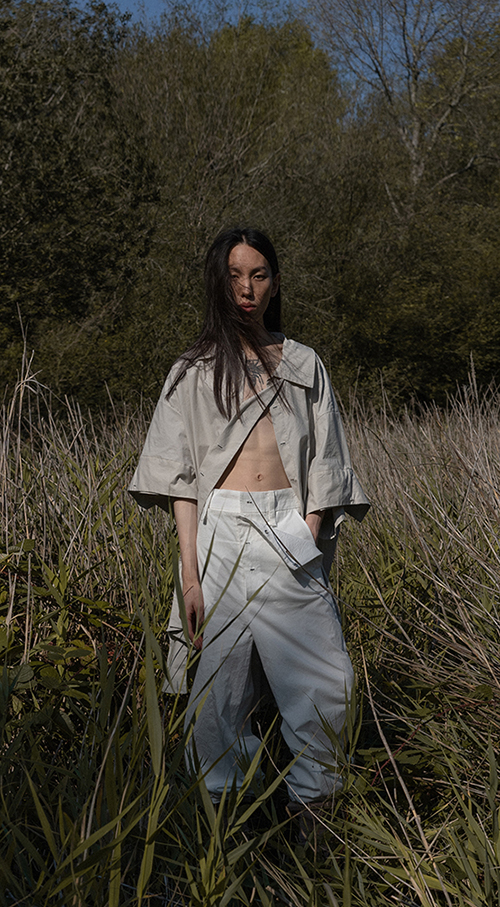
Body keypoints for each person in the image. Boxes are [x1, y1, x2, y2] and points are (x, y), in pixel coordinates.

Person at [129, 227, 369, 820]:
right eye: (234, 276)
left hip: (288, 526)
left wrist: (309, 526)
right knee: (219, 690)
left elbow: (327, 458)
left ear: (275, 283)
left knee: (328, 682)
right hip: (221, 530)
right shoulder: (193, 370)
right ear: (218, 283)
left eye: (258, 275)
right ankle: (226, 818)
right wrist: (190, 575)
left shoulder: (305, 363)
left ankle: (314, 812)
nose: (246, 288)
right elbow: (180, 480)